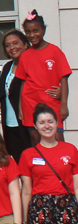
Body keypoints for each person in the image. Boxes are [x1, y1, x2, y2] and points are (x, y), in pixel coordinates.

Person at [17, 11, 71, 143]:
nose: (32, 35)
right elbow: (23, 83)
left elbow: (64, 79)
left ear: (43, 30)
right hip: (30, 103)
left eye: (36, 31)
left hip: (51, 102)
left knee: (58, 139)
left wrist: (64, 104)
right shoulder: (25, 55)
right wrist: (20, 106)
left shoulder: (55, 51)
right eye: (28, 32)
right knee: (35, 139)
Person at [0, 30, 33, 161]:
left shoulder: (32, 64)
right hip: (10, 125)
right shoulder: (7, 67)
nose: (12, 47)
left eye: (15, 43)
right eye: (8, 45)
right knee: (18, 163)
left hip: (28, 124)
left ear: (25, 44)